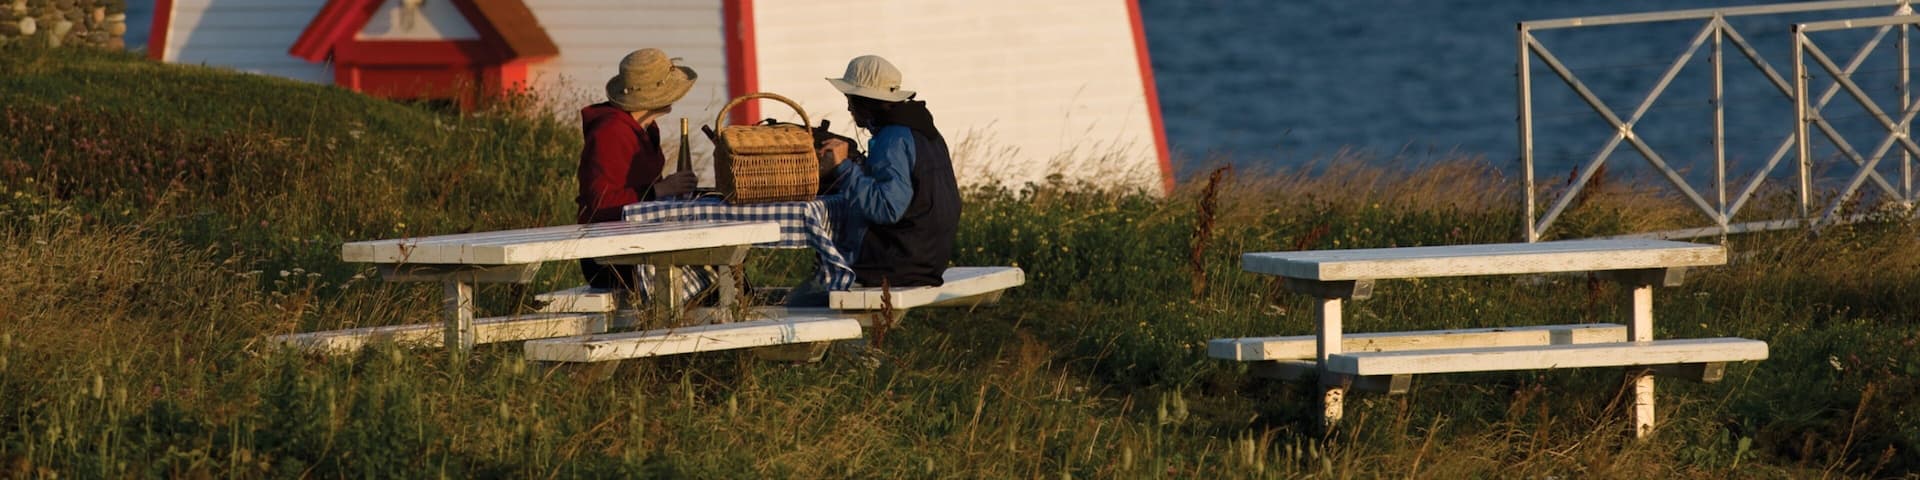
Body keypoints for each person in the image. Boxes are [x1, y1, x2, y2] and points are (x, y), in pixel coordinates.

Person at [814, 55, 962, 291]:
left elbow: (887, 208)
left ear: (867, 101)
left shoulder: (892, 139)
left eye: (851, 99)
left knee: (807, 298)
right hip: (927, 258)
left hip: (898, 263)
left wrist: (843, 168)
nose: (849, 107)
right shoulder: (923, 130)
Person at [576, 48, 699, 290]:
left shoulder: (646, 128)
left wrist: (667, 190)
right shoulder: (610, 132)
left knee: (711, 260)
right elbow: (601, 205)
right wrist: (659, 190)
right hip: (610, 256)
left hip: (640, 242)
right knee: (705, 270)